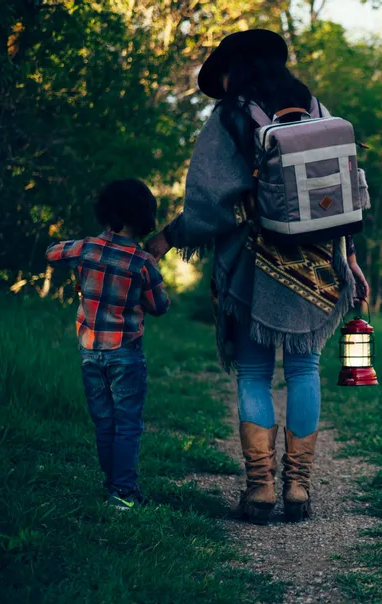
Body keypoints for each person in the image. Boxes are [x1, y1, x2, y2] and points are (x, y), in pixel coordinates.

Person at [146, 29, 370, 524]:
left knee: (253, 373)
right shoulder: (315, 109)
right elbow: (343, 192)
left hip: (253, 263)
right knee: (304, 369)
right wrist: (350, 258)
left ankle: (261, 488)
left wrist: (167, 236)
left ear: (237, 69)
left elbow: (210, 203)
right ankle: (299, 487)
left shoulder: (230, 116)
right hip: (318, 264)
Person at [47, 179, 171, 510]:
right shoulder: (142, 262)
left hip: (90, 352)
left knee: (104, 421)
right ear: (144, 219)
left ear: (104, 212)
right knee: (127, 423)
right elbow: (160, 306)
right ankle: (123, 493)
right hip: (126, 354)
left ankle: (112, 484)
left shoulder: (85, 249)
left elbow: (52, 252)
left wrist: (80, 271)